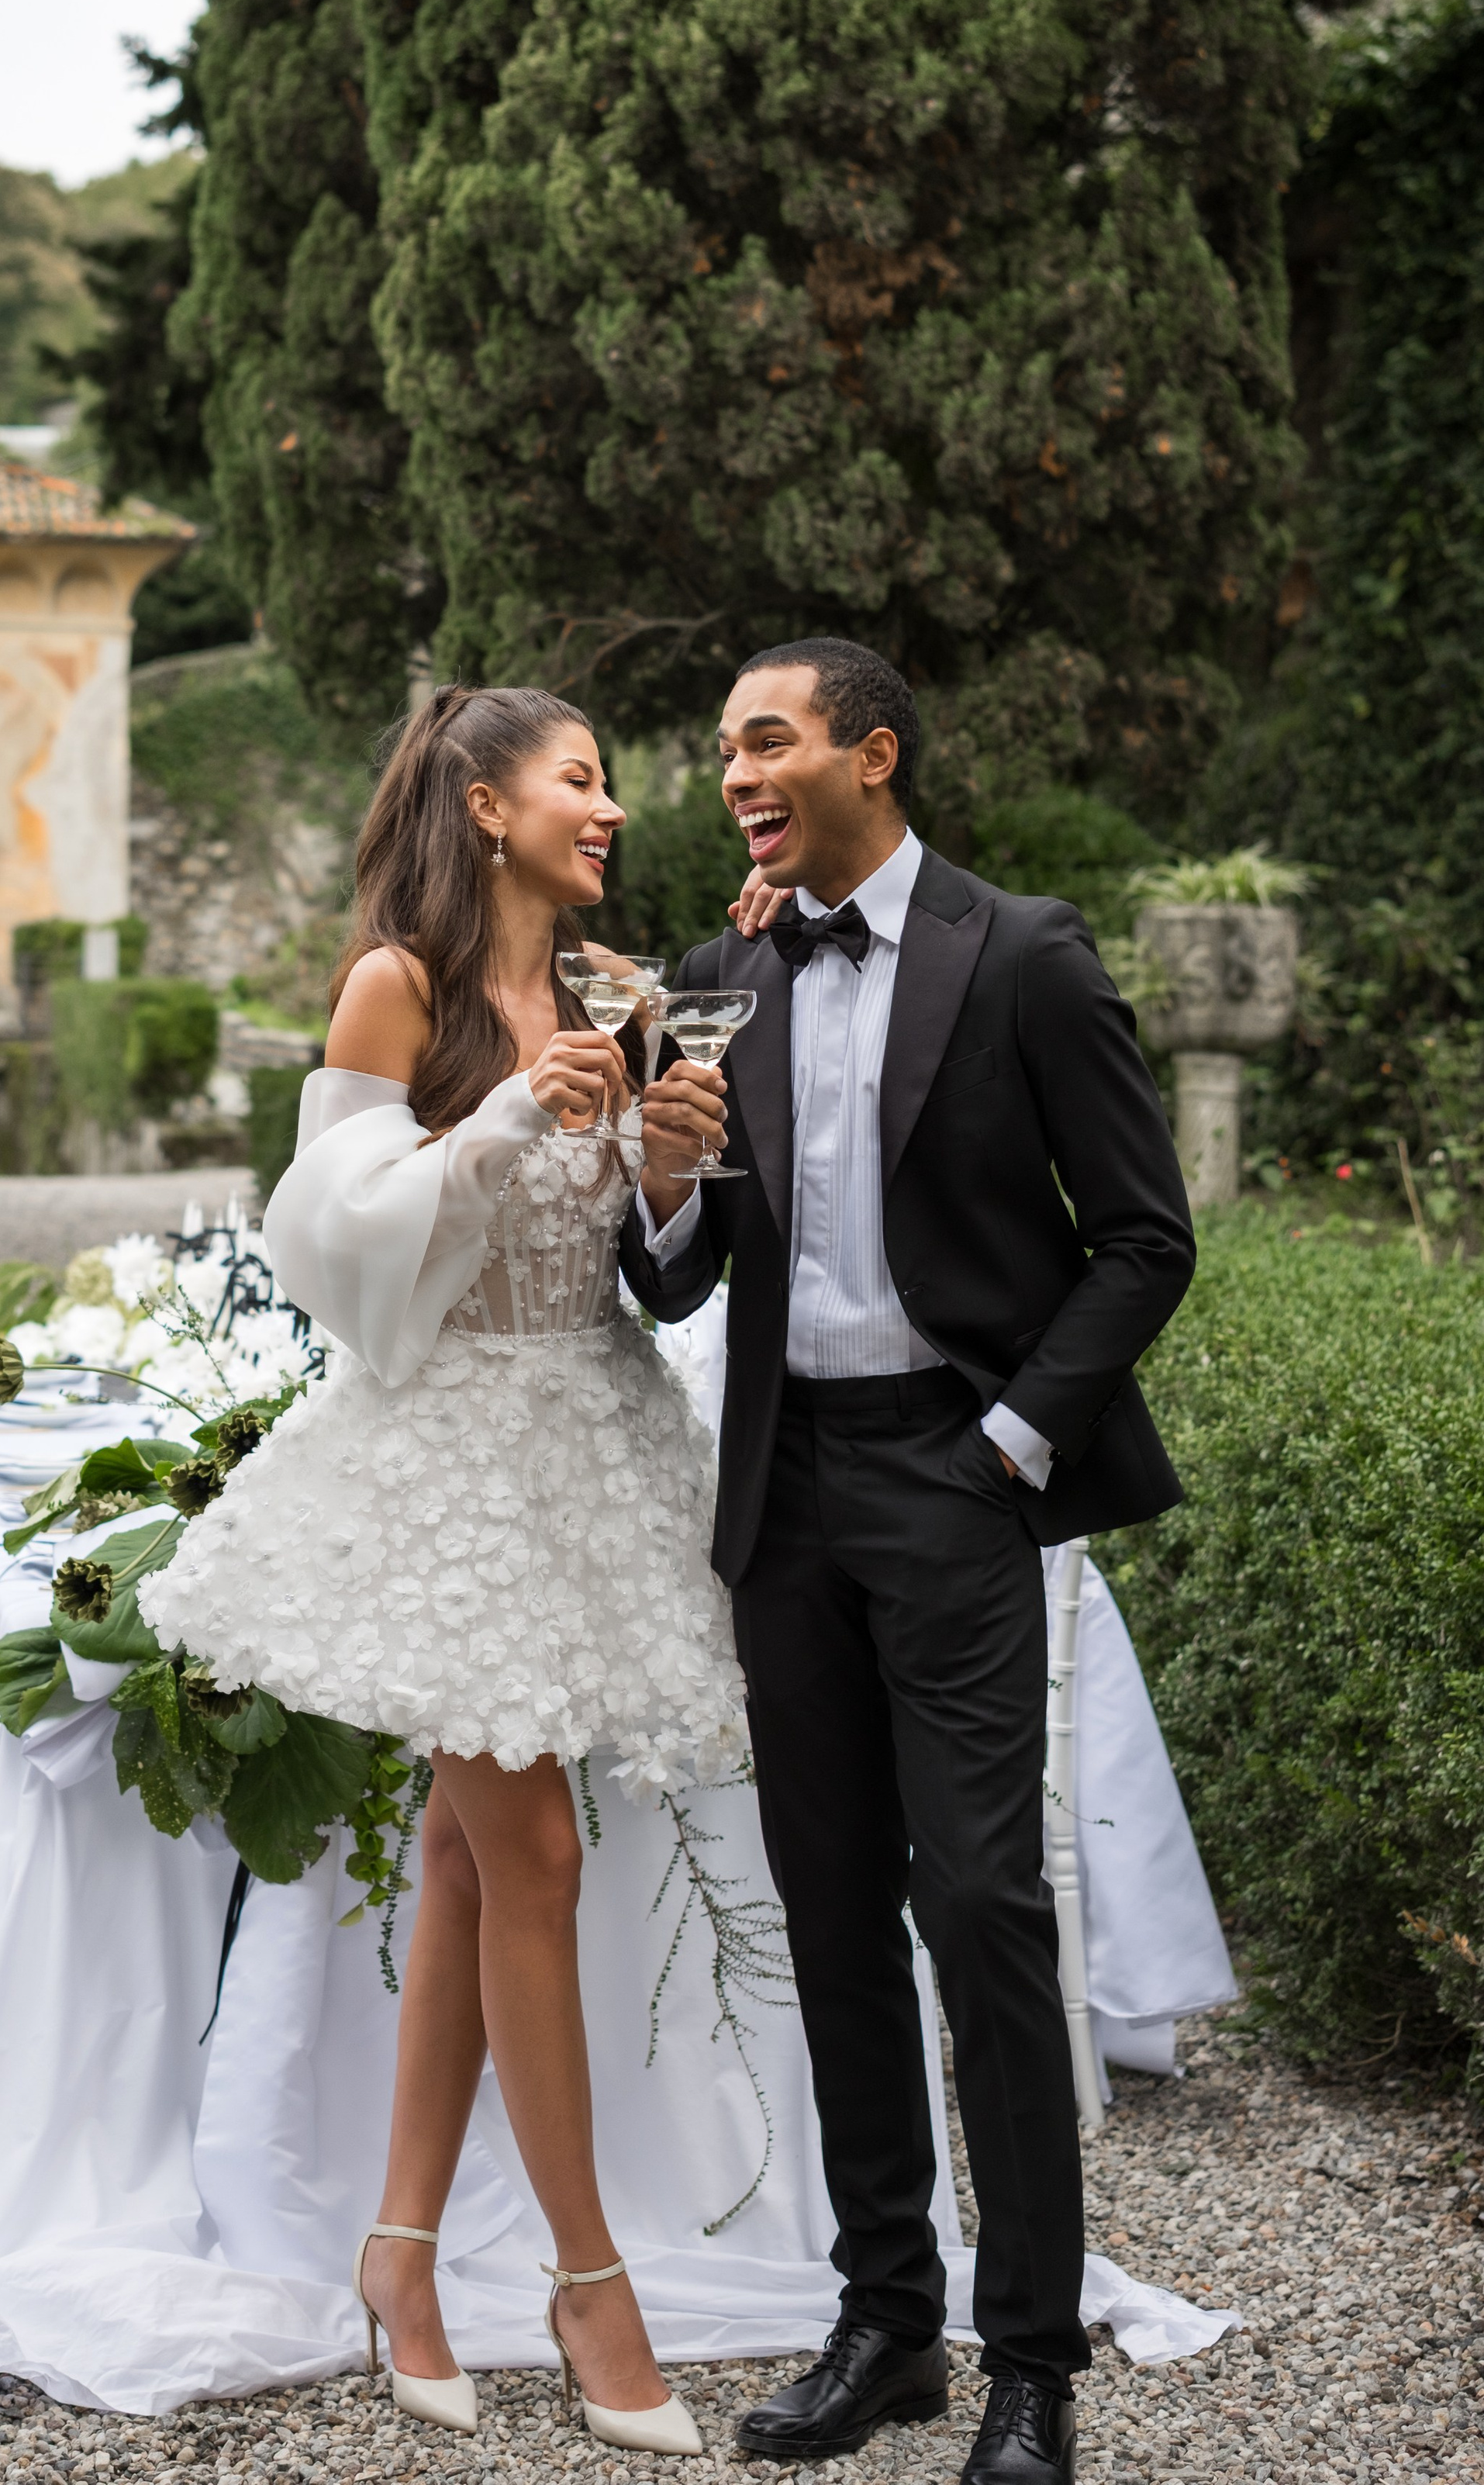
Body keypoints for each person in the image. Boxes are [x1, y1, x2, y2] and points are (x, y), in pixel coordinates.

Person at [139, 683, 745, 2459]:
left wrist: (661, 1168)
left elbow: (649, 1251)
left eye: (612, 781)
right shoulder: (393, 985)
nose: (612, 805)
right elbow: (316, 1233)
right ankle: (586, 2280)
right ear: (485, 805)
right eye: (580, 778)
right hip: (444, 1466)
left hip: (591, 1442)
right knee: (534, 1846)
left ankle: (398, 2254)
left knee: (480, 1868)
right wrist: (495, 1125)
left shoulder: (621, 993)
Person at [619, 638, 1196, 2485]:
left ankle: (1027, 2365)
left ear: (872, 752)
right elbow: (677, 1278)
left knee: (983, 1915)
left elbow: (1139, 1237)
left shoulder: (1019, 953)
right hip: (780, 1495)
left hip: (951, 1482)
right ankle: (884, 2323)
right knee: (825, 1912)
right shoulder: (718, 976)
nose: (733, 772)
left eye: (765, 739)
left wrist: (1011, 1439)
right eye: (720, 749)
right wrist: (659, 1171)